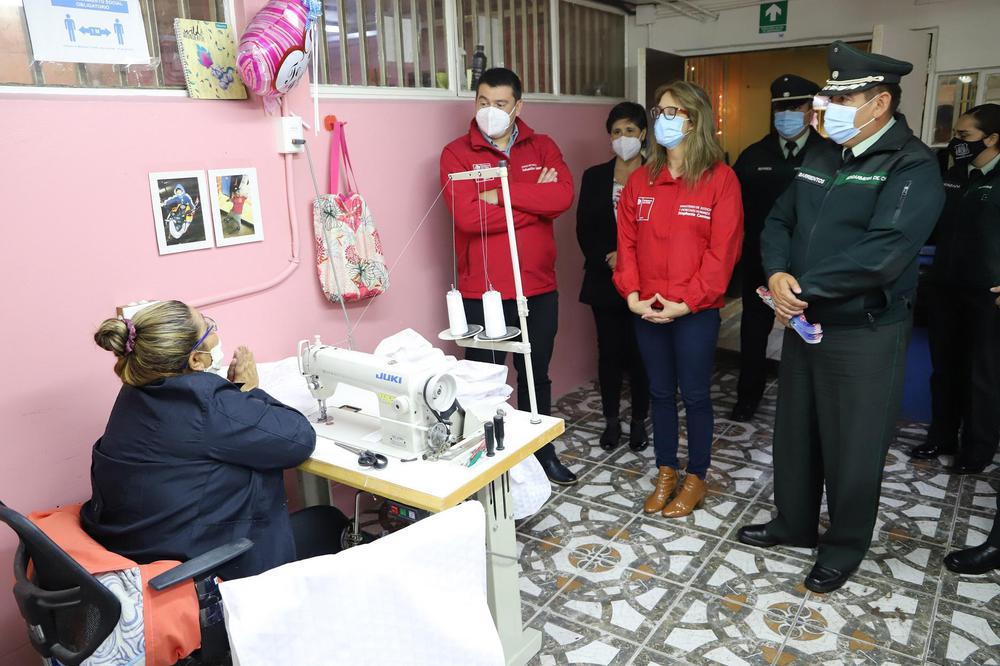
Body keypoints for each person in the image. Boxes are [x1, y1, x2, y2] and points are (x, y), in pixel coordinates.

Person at [738, 41, 945, 593]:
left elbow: (886, 251)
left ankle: (846, 543)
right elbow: (779, 219)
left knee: (854, 444)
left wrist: (801, 289)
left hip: (864, 332)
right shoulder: (825, 152)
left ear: (878, 103)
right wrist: (779, 273)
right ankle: (795, 523)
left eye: (838, 96)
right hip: (807, 322)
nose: (824, 106)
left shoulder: (911, 164)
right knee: (796, 431)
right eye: (826, 95)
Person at [81, 300, 347, 580]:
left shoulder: (132, 395)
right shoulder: (204, 403)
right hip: (199, 569)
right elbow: (299, 438)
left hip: (142, 551)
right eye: (208, 328)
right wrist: (249, 392)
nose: (215, 332)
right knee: (329, 524)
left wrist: (234, 398)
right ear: (195, 360)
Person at [440, 67, 578, 486]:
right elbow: (466, 216)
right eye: (483, 102)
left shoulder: (543, 146)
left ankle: (543, 454)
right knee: (483, 379)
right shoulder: (457, 154)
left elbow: (561, 196)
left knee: (537, 375)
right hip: (482, 289)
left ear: (518, 106)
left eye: (500, 104)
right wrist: (532, 201)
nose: (490, 111)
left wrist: (499, 192)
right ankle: (489, 465)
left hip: (537, 285)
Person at [614, 81, 743, 518]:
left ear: (695, 119)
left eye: (673, 112)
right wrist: (630, 293)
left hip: (694, 312)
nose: (662, 120)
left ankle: (696, 477)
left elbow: (722, 252)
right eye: (660, 111)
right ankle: (665, 471)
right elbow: (626, 243)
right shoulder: (641, 180)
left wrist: (686, 303)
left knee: (695, 395)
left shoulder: (719, 180)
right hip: (647, 306)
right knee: (659, 393)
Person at [730, 74, 827, 422]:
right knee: (753, 332)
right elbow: (733, 209)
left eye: (795, 106)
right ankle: (748, 395)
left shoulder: (829, 155)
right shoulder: (754, 155)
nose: (787, 113)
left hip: (809, 266)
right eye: (781, 107)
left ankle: (804, 403)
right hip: (760, 262)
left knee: (806, 333)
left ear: (810, 110)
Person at [910, 104, 1000, 474]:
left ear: (992, 139)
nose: (956, 143)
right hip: (945, 288)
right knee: (944, 368)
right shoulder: (954, 175)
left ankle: (977, 450)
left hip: (987, 295)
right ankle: (942, 435)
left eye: (965, 137)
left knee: (983, 374)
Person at [576, 102, 651, 452]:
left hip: (647, 281)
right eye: (617, 132)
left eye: (630, 131)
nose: (624, 138)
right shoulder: (594, 176)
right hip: (603, 280)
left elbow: (663, 232)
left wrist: (630, 256)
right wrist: (608, 258)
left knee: (640, 355)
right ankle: (611, 421)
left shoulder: (657, 175)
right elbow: (583, 229)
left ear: (644, 134)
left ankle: (638, 422)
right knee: (608, 353)